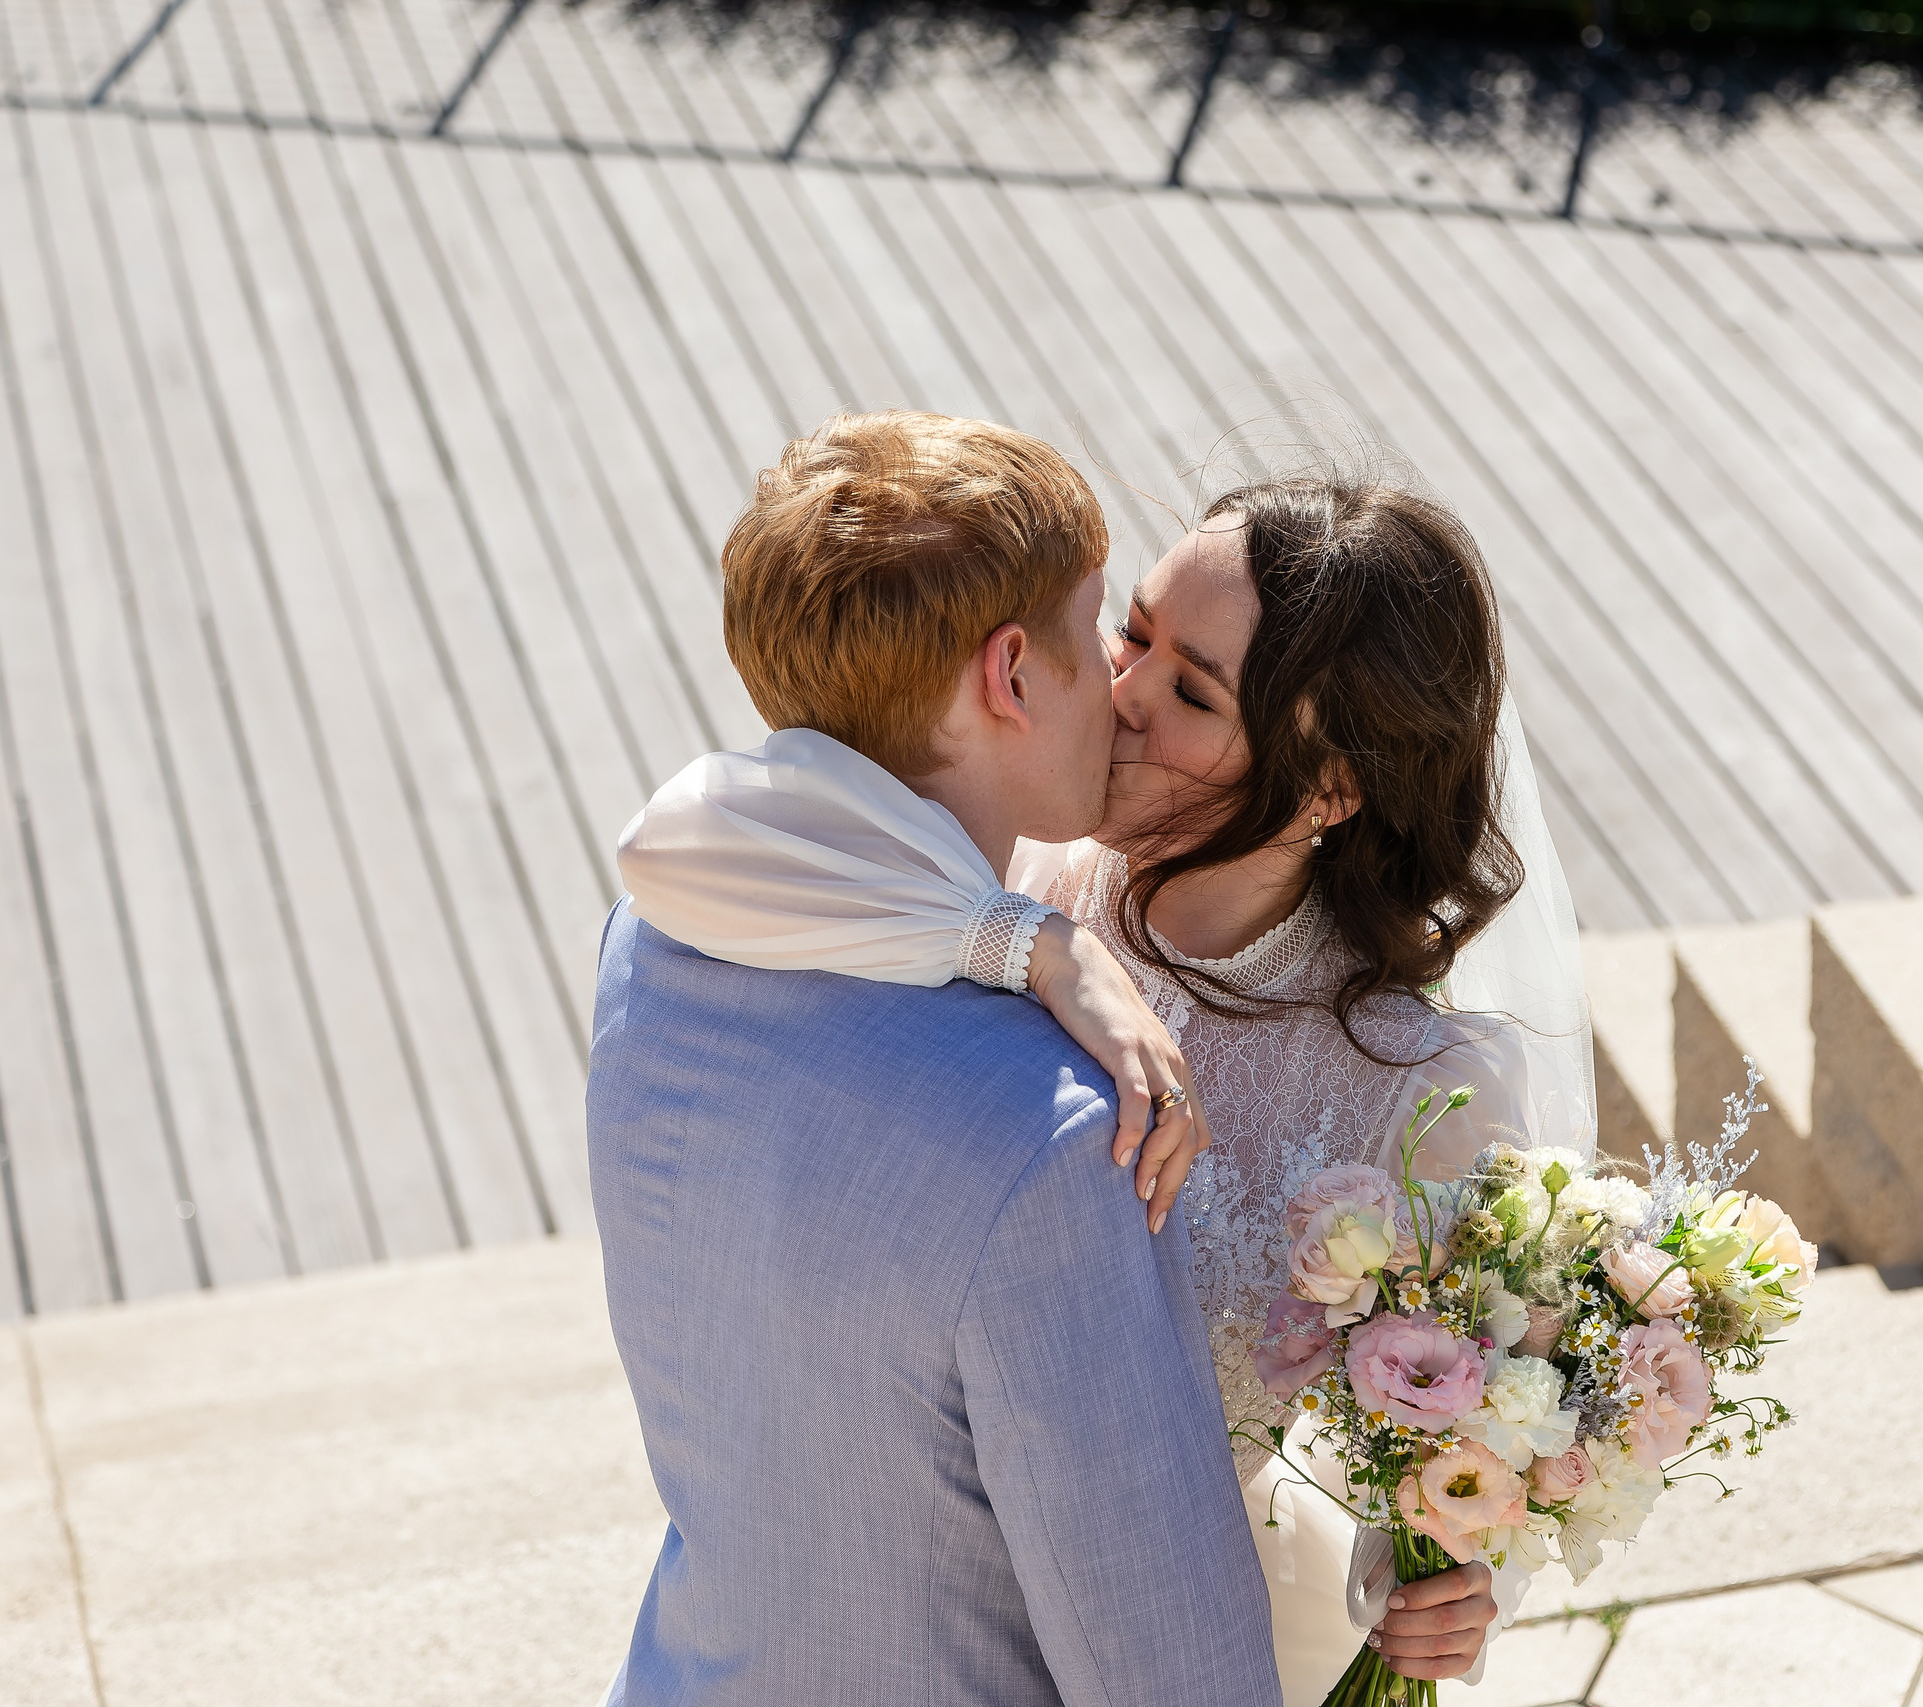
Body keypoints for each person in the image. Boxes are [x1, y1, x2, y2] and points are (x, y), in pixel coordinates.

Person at [619, 428, 1597, 1702]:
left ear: (1331, 789)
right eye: (1131, 635)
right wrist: (1033, 945)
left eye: (1192, 693)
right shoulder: (1005, 867)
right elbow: (679, 852)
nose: (1121, 693)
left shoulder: (1415, 1081)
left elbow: (1455, 1424)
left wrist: (1436, 1583)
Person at [586, 413, 1281, 1707]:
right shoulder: (1060, 1134)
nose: (1122, 690)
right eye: (1096, 634)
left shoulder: (654, 939)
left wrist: (1032, 938)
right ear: (1010, 673)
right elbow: (1165, 1659)